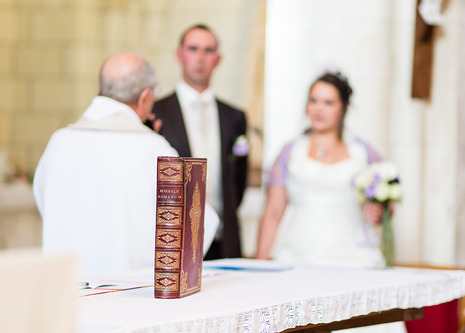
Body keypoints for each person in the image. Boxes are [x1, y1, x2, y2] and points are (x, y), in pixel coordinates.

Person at [33, 52, 218, 275]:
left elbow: (47, 204)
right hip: (128, 291)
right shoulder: (153, 148)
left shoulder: (59, 141)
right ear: (145, 97)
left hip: (67, 289)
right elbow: (194, 225)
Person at [256, 72, 405, 332]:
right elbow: (273, 211)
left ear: (343, 107)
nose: (319, 109)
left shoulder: (362, 152)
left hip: (352, 257)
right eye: (314, 100)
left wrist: (377, 210)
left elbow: (386, 201)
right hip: (298, 256)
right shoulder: (290, 151)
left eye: (328, 102)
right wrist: (259, 265)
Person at [147, 24, 248, 260]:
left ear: (218, 58)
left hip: (225, 242)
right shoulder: (156, 113)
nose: (200, 58)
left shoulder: (234, 117)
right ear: (179, 54)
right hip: (174, 242)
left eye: (208, 50)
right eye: (193, 49)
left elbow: (238, 179)